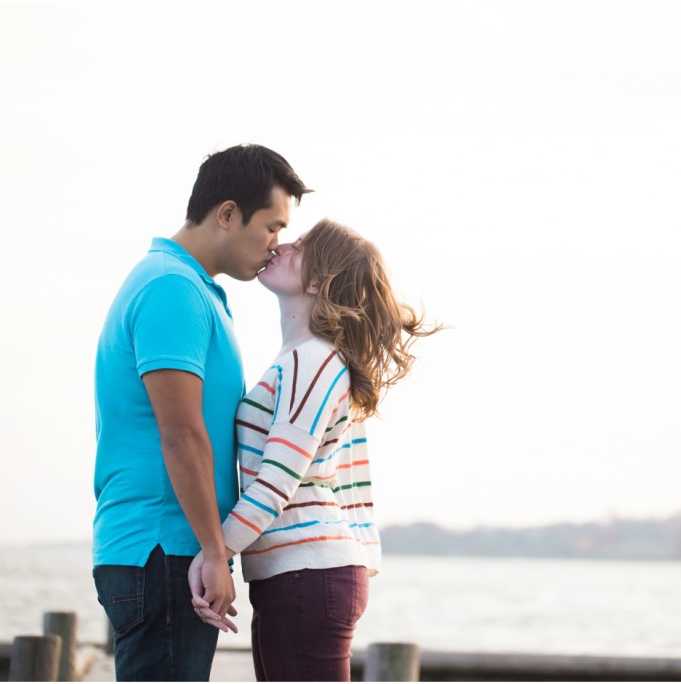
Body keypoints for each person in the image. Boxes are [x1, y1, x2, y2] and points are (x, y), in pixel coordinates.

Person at [92, 144, 310, 681]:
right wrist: (215, 553)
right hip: (164, 550)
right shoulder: (172, 288)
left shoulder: (191, 287)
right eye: (271, 227)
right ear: (228, 213)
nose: (274, 245)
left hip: (169, 549)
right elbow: (182, 433)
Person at [188, 218, 439, 681]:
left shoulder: (314, 359)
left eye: (299, 247)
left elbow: (278, 480)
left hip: (306, 575)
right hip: (299, 574)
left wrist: (215, 552)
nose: (280, 246)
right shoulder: (308, 358)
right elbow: (342, 478)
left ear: (321, 280)